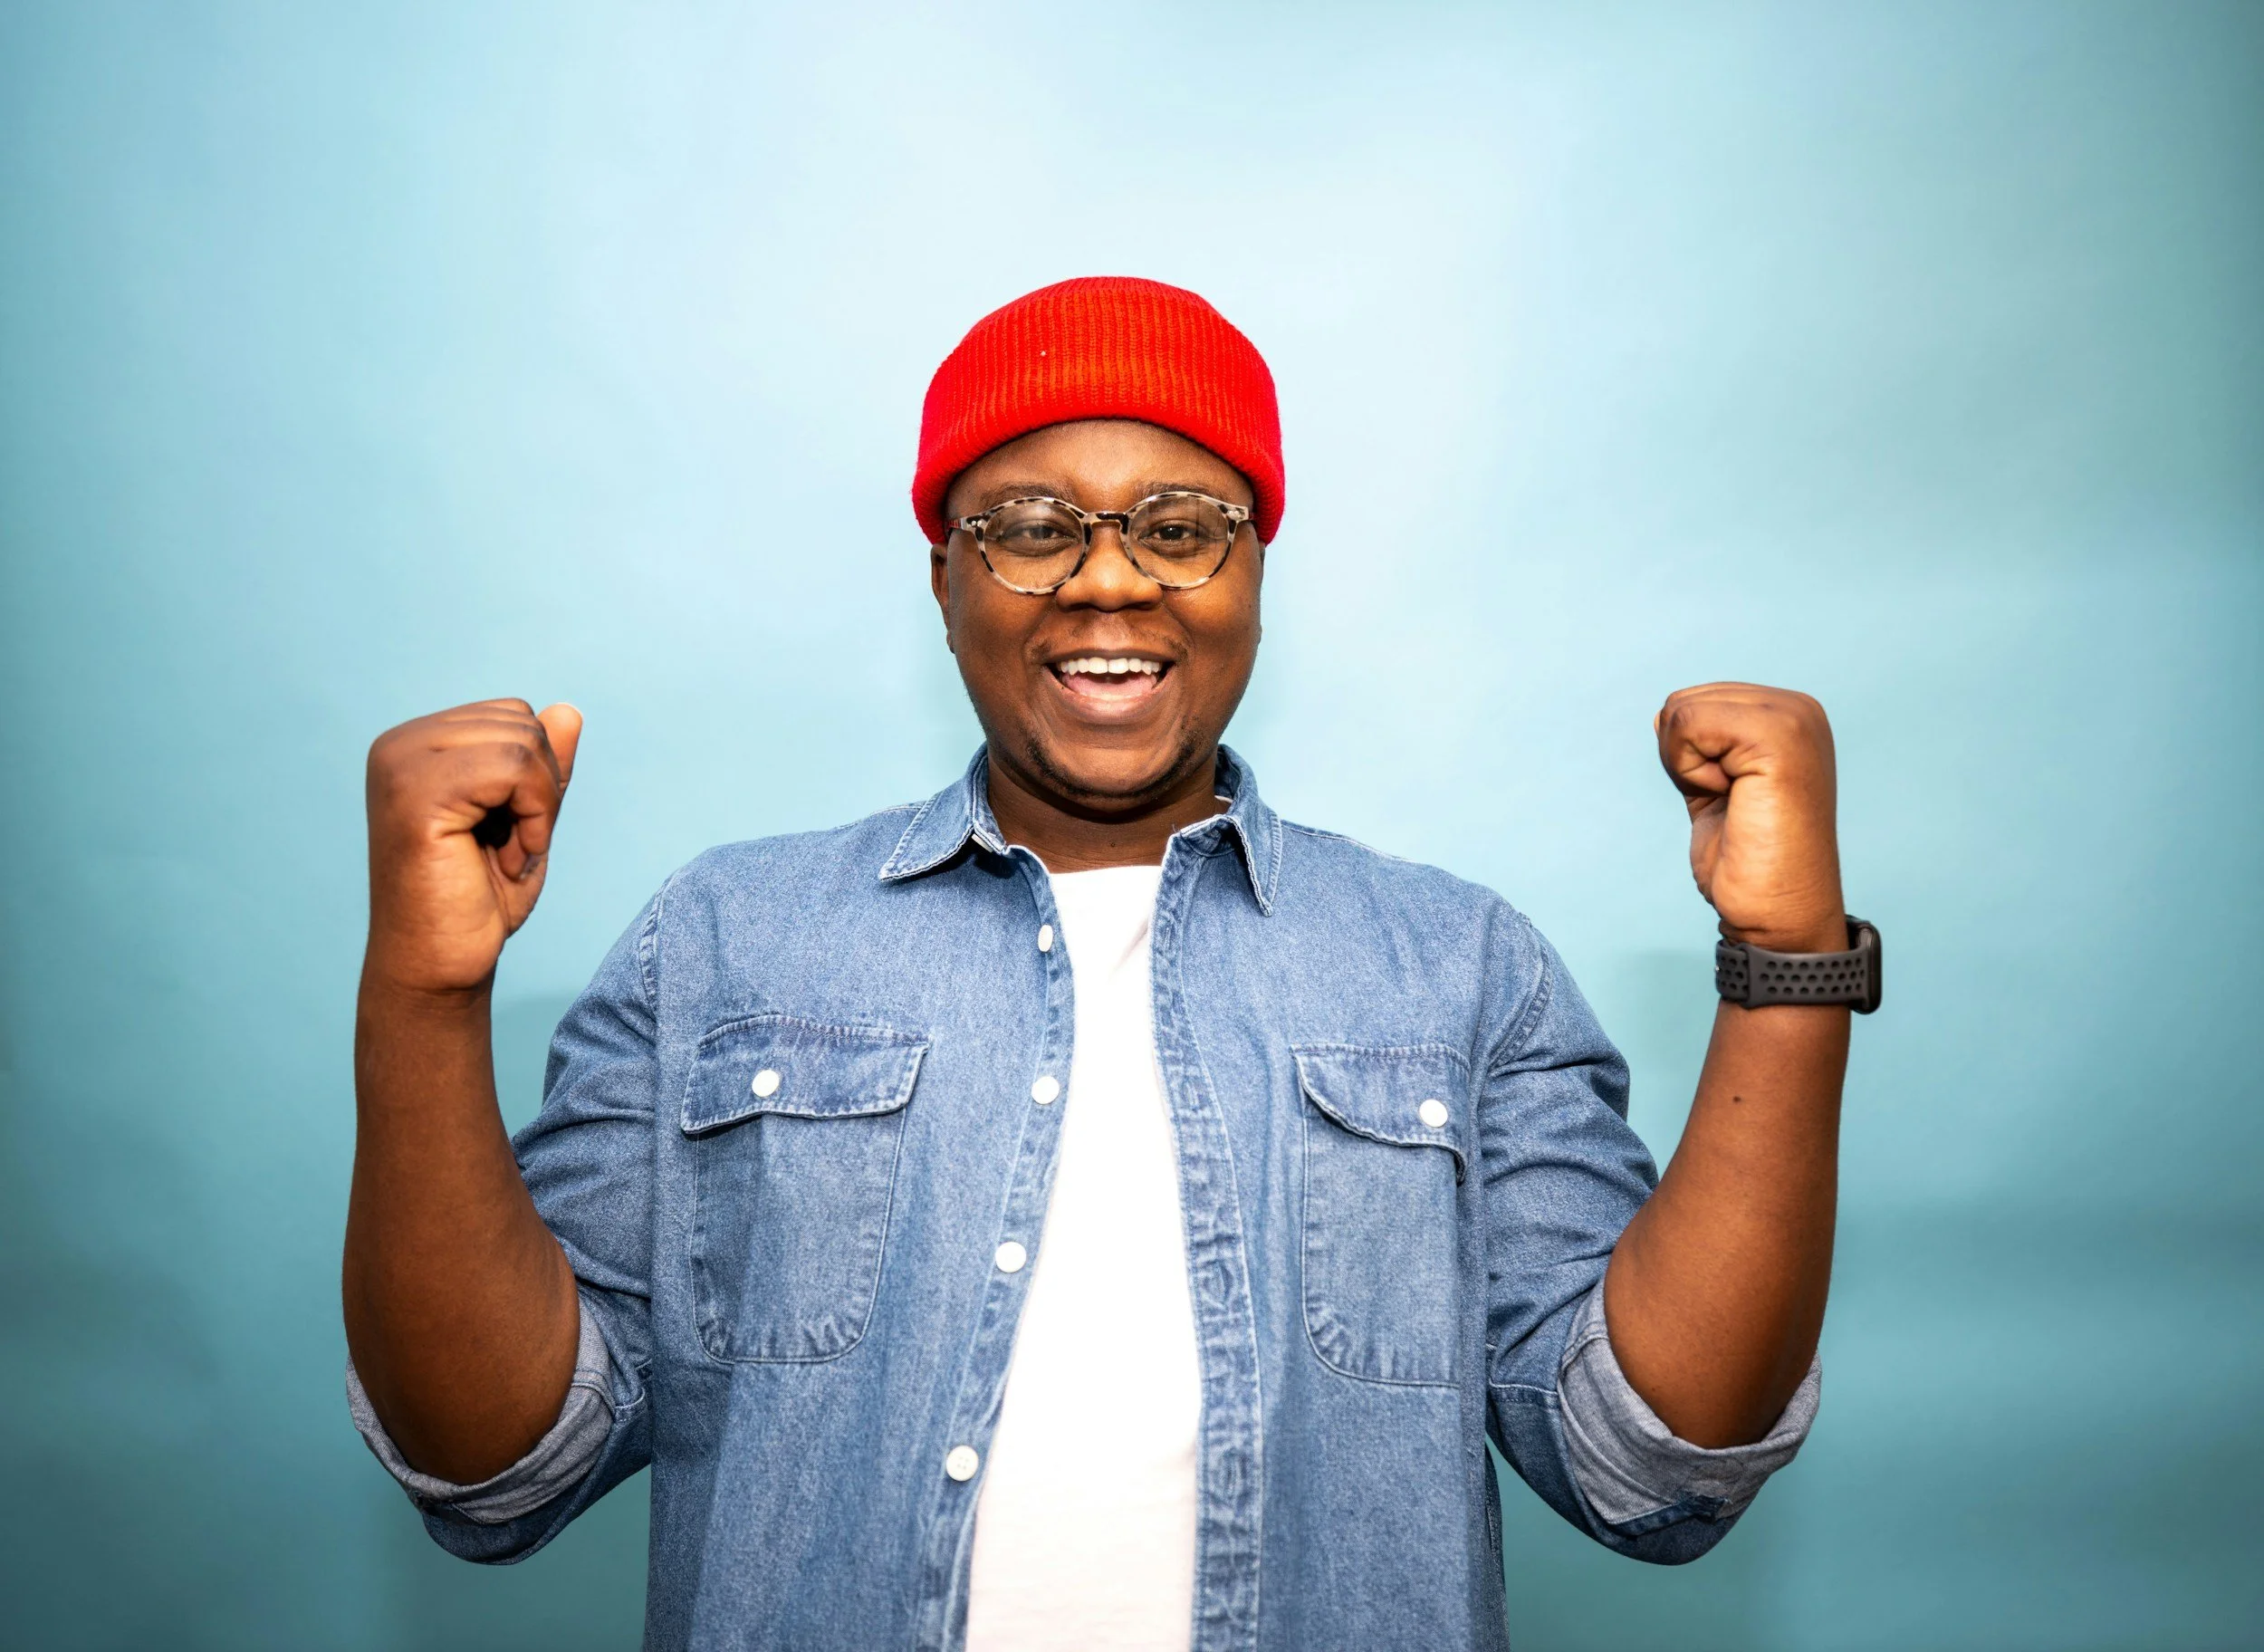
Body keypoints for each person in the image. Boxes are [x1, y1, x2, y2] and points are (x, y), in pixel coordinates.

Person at [344, 276, 1869, 1652]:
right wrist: (424, 993)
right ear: (943, 575)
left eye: (1179, 524)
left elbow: (1651, 1464)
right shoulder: (727, 939)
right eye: (1029, 526)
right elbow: (497, 1468)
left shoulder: (1457, 965)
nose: (1109, 582)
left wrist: (1786, 964)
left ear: (1254, 569)